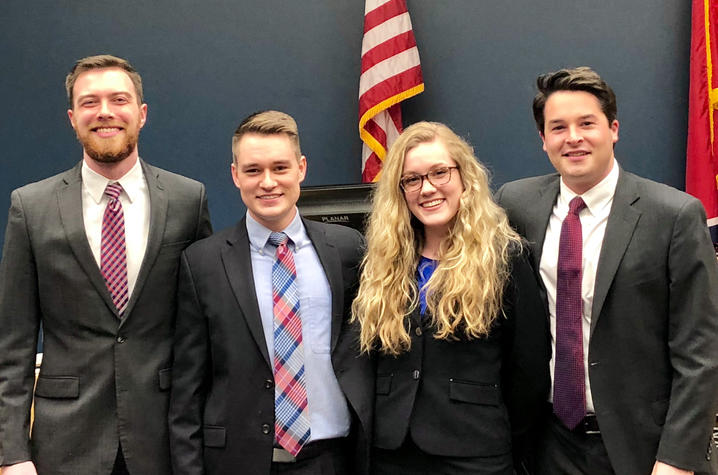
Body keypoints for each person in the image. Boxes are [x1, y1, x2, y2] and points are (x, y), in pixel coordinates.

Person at [495, 66, 718, 475]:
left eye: (587, 123)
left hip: (643, 449)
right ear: (543, 140)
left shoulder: (674, 215)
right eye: (558, 127)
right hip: (547, 442)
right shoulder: (516, 204)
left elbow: (701, 352)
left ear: (613, 129)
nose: (573, 137)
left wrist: (677, 460)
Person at [0, 55, 212, 475]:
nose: (105, 113)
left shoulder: (188, 200)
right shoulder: (31, 207)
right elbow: (14, 344)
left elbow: (206, 326)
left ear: (142, 113)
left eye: (119, 99)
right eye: (89, 102)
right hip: (65, 444)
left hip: (166, 440)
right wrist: (12, 453)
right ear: (72, 117)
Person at [168, 110, 372, 475]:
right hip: (239, 461)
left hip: (332, 460)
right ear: (235, 175)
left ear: (301, 169)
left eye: (280, 168)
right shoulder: (203, 263)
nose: (267, 182)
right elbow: (188, 389)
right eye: (252, 170)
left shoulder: (347, 250)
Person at [351, 121, 550, 474]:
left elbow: (529, 369)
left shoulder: (504, 257)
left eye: (439, 173)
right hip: (393, 453)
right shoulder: (383, 261)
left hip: (474, 450)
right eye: (412, 179)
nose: (427, 189)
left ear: (464, 177)